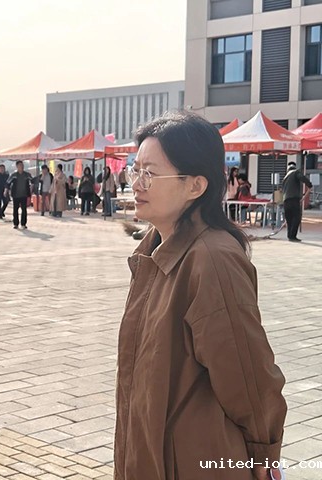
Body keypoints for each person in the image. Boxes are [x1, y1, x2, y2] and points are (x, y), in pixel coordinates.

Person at [115, 111, 286, 480]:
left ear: (195, 186)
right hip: (153, 453)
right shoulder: (154, 250)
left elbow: (248, 377)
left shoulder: (212, 260)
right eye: (135, 170)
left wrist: (264, 454)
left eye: (150, 173)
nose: (136, 184)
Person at [282, 161, 312, 242]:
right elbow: (302, 178)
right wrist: (309, 184)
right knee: (296, 217)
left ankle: (290, 236)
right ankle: (293, 236)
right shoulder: (295, 172)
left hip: (286, 201)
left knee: (289, 219)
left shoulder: (285, 177)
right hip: (294, 200)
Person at [5, 161, 32, 229]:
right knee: (15, 209)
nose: (21, 167)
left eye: (22, 165)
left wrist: (32, 189)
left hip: (24, 195)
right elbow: (8, 183)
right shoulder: (14, 175)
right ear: (17, 166)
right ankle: (16, 223)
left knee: (24, 210)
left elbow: (32, 181)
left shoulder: (27, 175)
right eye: (20, 165)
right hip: (16, 195)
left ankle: (23, 224)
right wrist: (6, 190)